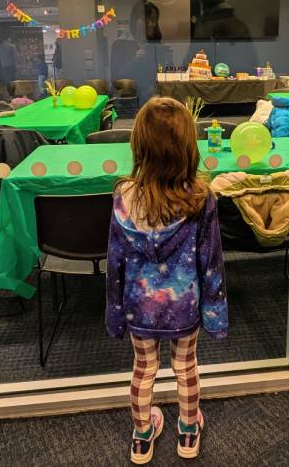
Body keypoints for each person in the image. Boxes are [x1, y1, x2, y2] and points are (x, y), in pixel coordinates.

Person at [106, 97, 228, 464]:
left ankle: (143, 435)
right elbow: (212, 262)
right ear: (188, 146)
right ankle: (188, 430)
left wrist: (114, 313)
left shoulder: (122, 197)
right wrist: (215, 314)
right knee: (185, 367)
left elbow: (115, 263)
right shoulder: (201, 198)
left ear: (139, 145)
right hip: (183, 305)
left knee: (143, 369)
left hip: (138, 307)